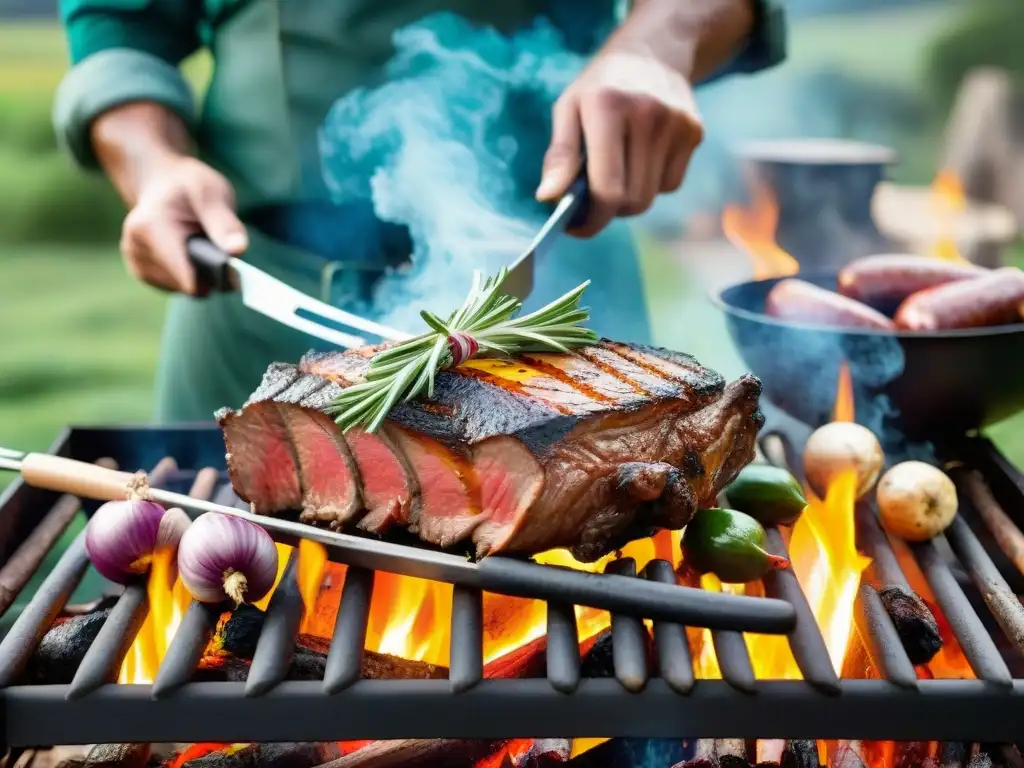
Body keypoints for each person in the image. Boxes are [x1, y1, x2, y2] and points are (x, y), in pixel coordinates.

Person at [53, 0, 785, 423]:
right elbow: (118, 23)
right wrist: (154, 165)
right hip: (250, 296)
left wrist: (659, 43)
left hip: (554, 282)